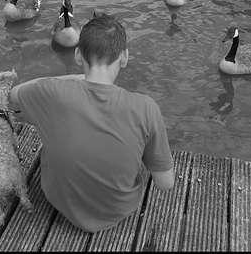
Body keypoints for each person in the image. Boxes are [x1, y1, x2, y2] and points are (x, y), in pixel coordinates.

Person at [9, 13, 175, 233]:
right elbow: (165, 183)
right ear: (124, 57)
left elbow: (14, 93)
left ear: (78, 55)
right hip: (118, 210)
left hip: (61, 202)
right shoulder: (146, 107)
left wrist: (76, 78)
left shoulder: (52, 93)